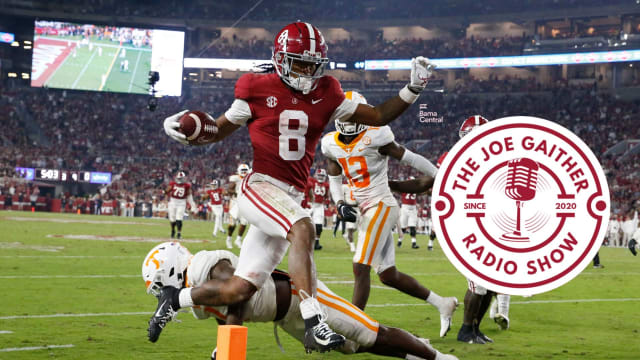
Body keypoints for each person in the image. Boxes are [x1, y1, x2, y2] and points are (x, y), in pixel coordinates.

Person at [159, 21, 435, 353]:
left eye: (311, 63)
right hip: (260, 187)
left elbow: (376, 115)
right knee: (303, 227)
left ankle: (175, 299)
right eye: (299, 62)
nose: (306, 70)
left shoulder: (328, 91)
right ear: (280, 58)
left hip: (288, 195)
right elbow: (217, 130)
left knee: (242, 289)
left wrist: (414, 88)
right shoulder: (255, 88)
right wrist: (187, 134)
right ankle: (313, 321)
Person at [141, 242, 459, 360]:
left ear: (171, 270)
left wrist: (178, 298)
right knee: (353, 347)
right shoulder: (198, 297)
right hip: (285, 317)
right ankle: (415, 353)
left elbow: (234, 290)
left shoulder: (203, 266)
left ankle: (440, 358)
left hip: (303, 295)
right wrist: (224, 350)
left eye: (159, 286)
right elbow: (231, 312)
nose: (157, 293)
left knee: (372, 333)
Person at [321, 90, 457, 338]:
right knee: (387, 275)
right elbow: (334, 177)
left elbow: (411, 158)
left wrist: (440, 175)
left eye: (355, 117)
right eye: (347, 117)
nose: (351, 122)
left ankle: (352, 331)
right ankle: (442, 303)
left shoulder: (377, 135)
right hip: (365, 210)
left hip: (381, 205)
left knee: (360, 267)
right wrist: (339, 202)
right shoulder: (330, 143)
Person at [165, 171, 196, 239]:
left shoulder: (187, 186)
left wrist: (192, 205)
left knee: (179, 218)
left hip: (181, 202)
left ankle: (179, 233)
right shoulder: (172, 184)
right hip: (173, 201)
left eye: (181, 178)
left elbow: (189, 195)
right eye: (179, 178)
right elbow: (167, 191)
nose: (179, 180)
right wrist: (166, 198)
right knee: (172, 219)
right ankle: (173, 231)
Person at [226, 164, 250, 249]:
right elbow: (229, 189)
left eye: (245, 170)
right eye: (242, 171)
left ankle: (238, 239)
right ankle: (229, 239)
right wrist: (236, 193)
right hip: (235, 202)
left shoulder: (250, 178)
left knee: (244, 222)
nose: (244, 172)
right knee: (232, 224)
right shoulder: (235, 179)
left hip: (245, 202)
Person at [307, 168, 330, 250]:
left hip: (320, 206)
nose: (320, 177)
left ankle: (316, 243)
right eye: (319, 175)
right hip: (310, 204)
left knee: (319, 226)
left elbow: (327, 196)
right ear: (316, 175)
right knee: (305, 224)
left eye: (322, 175)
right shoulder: (311, 180)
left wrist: (327, 204)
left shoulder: (326, 185)